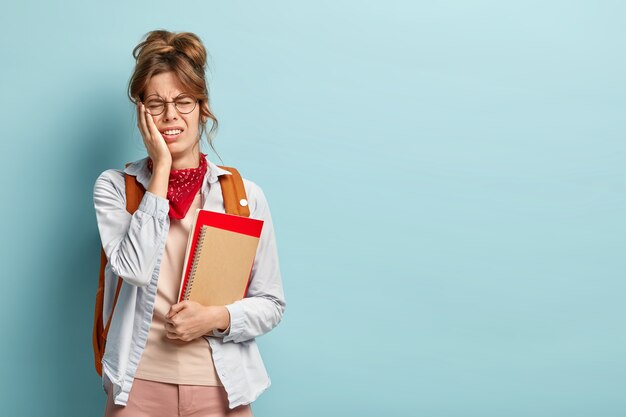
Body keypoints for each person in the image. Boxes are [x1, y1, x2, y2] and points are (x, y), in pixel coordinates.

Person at [93, 30, 286, 417]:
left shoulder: (243, 197)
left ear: (202, 106)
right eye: (156, 103)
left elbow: (271, 303)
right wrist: (161, 168)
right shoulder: (116, 188)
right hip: (137, 390)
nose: (170, 116)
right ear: (141, 112)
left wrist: (217, 318)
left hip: (220, 388)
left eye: (183, 101)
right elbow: (134, 270)